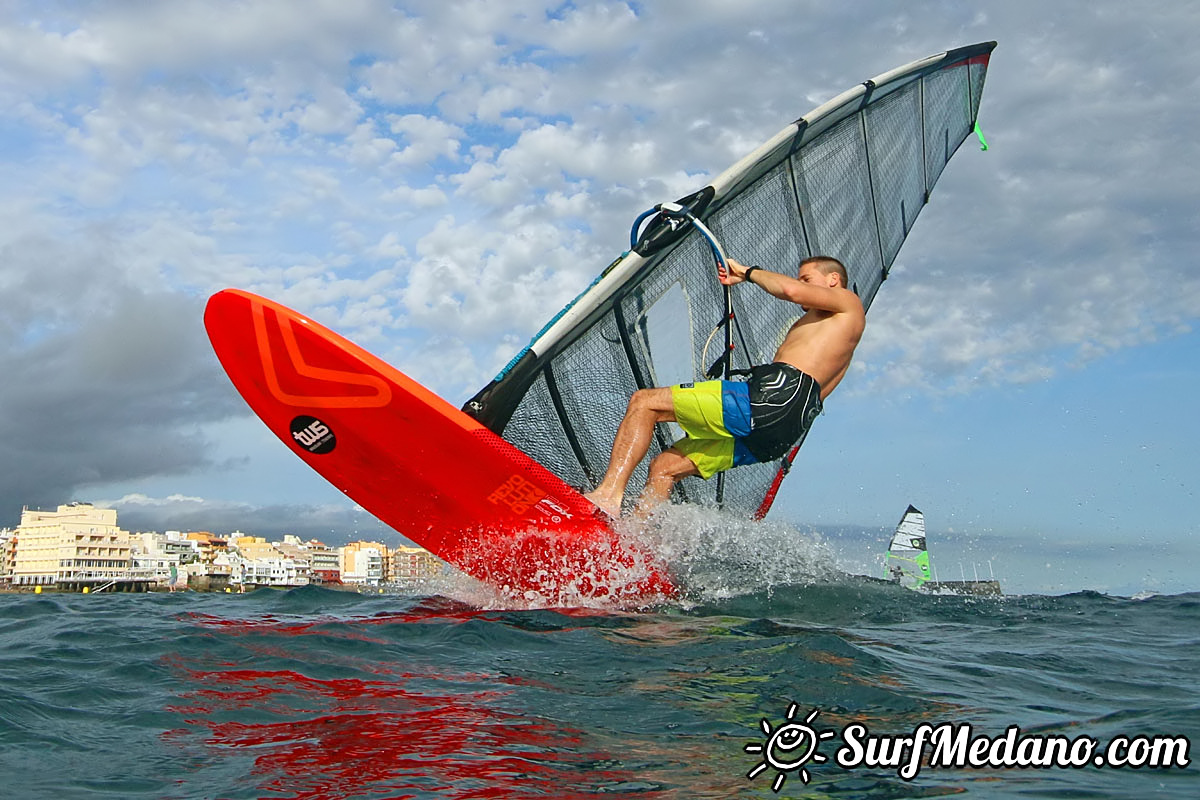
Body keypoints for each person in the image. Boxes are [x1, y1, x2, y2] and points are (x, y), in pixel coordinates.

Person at [583, 255, 865, 517]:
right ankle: (635, 538)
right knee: (665, 467)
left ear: (832, 280)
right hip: (783, 432)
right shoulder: (839, 333)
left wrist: (747, 272)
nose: (800, 283)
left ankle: (608, 495)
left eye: (807, 278)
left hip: (776, 397)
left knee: (645, 403)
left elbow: (790, 291)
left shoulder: (847, 301)